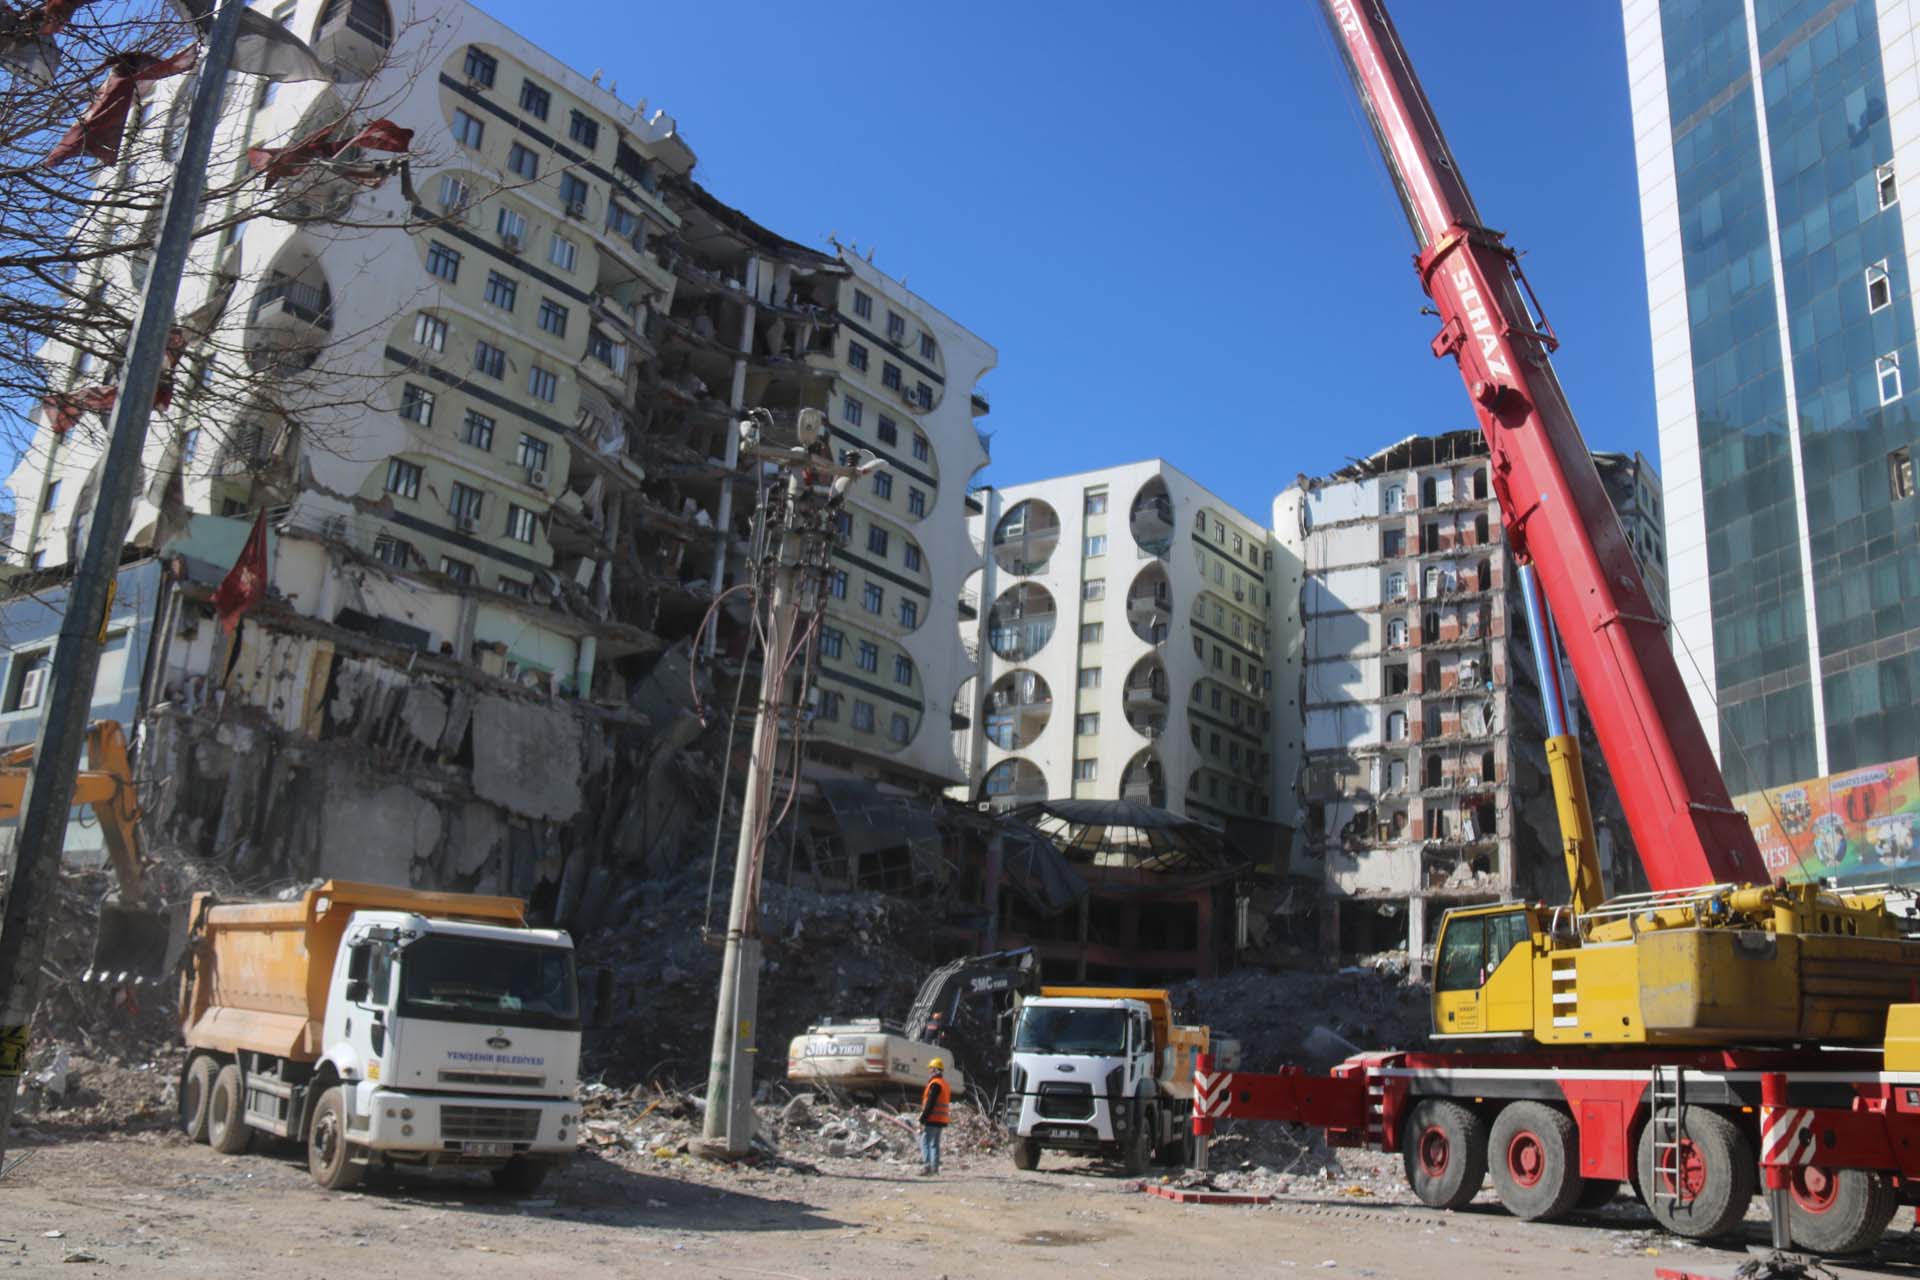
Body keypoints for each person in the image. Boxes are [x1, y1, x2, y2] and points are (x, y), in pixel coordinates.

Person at [918, 1057, 951, 1176]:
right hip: (941, 1119)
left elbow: (930, 1103)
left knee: (925, 1142)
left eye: (931, 1068)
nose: (929, 1071)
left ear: (935, 1069)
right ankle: (935, 1168)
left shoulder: (935, 1084)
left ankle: (927, 1167)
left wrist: (923, 1119)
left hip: (933, 1118)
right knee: (935, 1144)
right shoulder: (944, 1084)